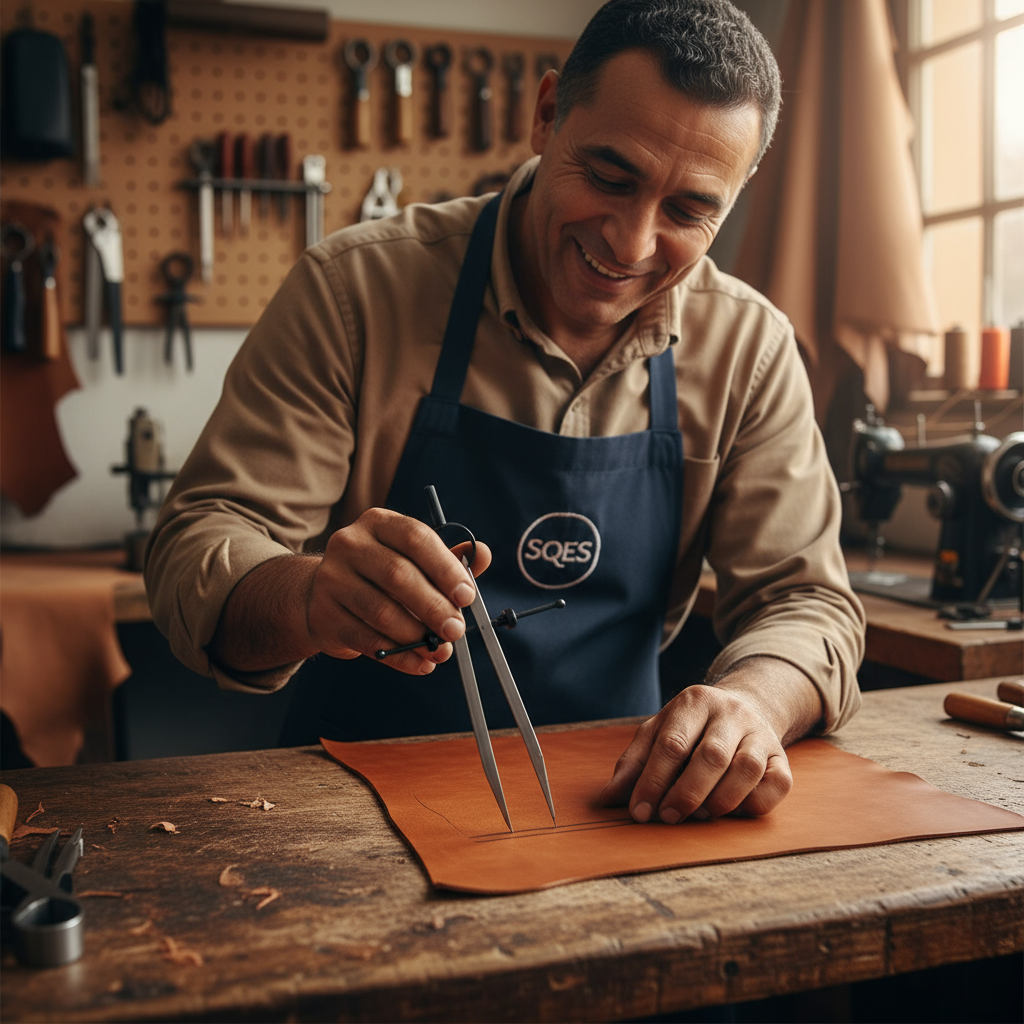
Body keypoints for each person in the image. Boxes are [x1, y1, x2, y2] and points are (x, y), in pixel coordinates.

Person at [145, 0, 865, 827]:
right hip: (350, 812)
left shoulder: (750, 347)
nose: (630, 245)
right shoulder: (356, 293)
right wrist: (310, 595)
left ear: (734, 199)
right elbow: (198, 542)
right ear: (548, 112)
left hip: (625, 809)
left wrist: (754, 706)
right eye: (610, 176)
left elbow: (808, 603)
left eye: (688, 210)